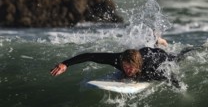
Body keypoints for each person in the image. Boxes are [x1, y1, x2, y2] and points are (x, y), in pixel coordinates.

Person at [50, 37, 195, 88]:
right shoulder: (118, 60)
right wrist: (65, 64)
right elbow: (90, 56)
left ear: (138, 66)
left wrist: (183, 92)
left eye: (130, 69)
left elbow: (171, 77)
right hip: (140, 52)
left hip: (157, 55)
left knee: (178, 57)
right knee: (141, 52)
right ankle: (156, 40)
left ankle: (162, 43)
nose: (127, 71)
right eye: (125, 67)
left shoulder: (151, 68)